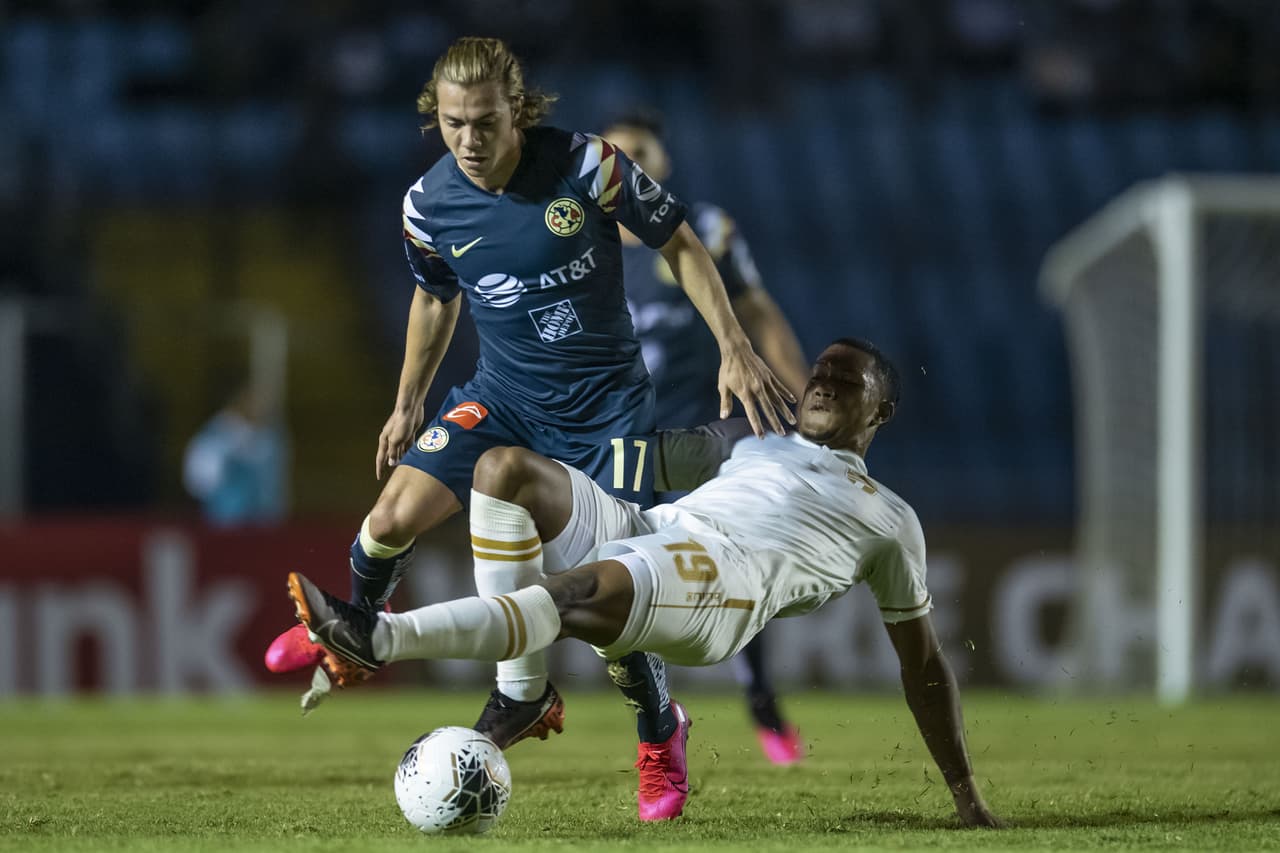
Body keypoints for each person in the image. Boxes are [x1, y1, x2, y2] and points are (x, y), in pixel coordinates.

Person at [262, 36, 794, 822]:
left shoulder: (588, 167)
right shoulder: (426, 204)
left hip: (606, 409)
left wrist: (735, 347)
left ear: (518, 109)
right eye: (452, 125)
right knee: (387, 521)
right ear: (434, 119)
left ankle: (658, 730)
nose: (469, 141)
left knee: (615, 593)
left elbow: (678, 242)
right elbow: (435, 297)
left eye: (483, 122)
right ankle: (355, 637)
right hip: (504, 397)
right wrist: (409, 400)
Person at [286, 338, 1002, 828]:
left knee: (572, 595)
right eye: (820, 370)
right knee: (503, 471)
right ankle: (521, 692)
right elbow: (640, 460)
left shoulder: (890, 518)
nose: (823, 381)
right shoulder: (751, 438)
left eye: (848, 379)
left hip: (728, 582)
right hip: (652, 526)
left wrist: (965, 794)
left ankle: (379, 636)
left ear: (881, 410)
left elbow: (924, 663)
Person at [603, 111, 810, 765]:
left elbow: (758, 312)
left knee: (728, 561)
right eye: (617, 154)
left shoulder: (707, 230)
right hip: (619, 439)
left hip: (703, 427)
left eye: (641, 152)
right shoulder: (579, 240)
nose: (630, 163)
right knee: (628, 576)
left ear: (662, 164)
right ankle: (660, 720)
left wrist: (803, 403)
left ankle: (759, 695)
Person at [182, 381, 288, 526]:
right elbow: (199, 482)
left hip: (264, 520)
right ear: (238, 401)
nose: (258, 408)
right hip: (225, 520)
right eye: (252, 401)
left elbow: (275, 481)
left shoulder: (270, 436)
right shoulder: (214, 436)